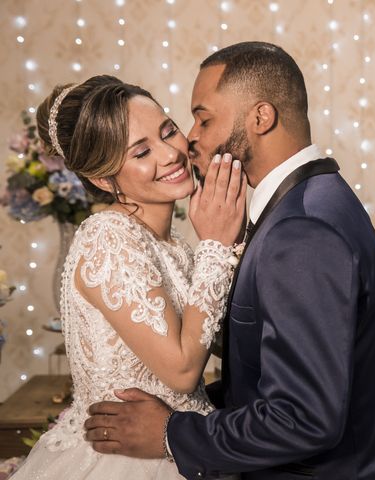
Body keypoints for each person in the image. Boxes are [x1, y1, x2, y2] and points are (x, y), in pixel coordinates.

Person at [85, 42, 375, 479]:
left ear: (261, 117)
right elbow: (272, 376)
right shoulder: (307, 204)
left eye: (203, 117)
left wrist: (172, 432)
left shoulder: (302, 230)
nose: (191, 138)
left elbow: (302, 416)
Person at [11, 75, 246, 479]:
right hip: (132, 463)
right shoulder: (109, 237)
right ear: (103, 179)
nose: (171, 154)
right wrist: (218, 248)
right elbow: (181, 370)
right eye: (141, 152)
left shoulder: (172, 246)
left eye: (168, 131)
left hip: (183, 446)